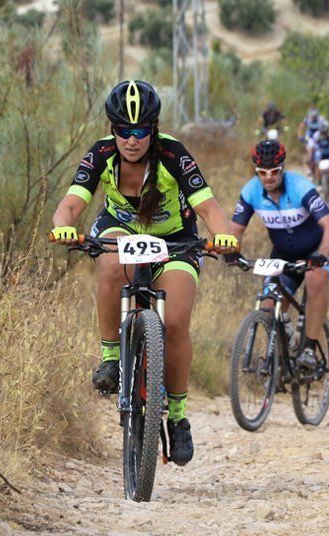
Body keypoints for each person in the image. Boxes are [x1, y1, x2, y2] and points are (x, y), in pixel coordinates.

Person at [50, 80, 238, 466]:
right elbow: (70, 205)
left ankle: (179, 417)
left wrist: (224, 236)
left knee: (176, 321)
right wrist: (64, 225)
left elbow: (210, 209)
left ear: (153, 129)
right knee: (114, 267)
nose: (131, 140)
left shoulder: (174, 155)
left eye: (140, 131)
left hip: (175, 241)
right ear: (112, 129)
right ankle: (110, 357)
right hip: (121, 230)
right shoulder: (101, 155)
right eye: (123, 130)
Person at [225, 140, 329, 373]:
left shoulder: (300, 186)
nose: (268, 177)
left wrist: (322, 254)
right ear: (256, 171)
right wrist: (232, 252)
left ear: (282, 168)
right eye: (262, 172)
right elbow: (235, 230)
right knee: (269, 302)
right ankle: (284, 348)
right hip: (284, 253)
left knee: (314, 278)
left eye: (274, 172)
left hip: (317, 247)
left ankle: (309, 348)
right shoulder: (250, 191)